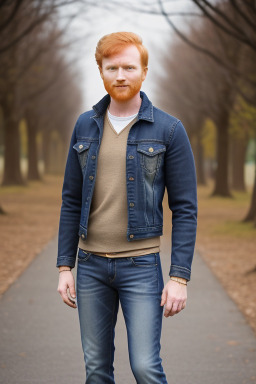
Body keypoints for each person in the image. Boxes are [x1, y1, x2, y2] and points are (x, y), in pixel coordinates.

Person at [57, 31, 197, 384]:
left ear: (144, 72)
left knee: (146, 368)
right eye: (112, 67)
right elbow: (71, 200)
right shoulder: (84, 125)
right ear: (101, 72)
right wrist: (64, 266)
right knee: (97, 370)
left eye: (129, 67)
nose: (120, 75)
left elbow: (185, 208)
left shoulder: (169, 130)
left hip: (141, 266)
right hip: (90, 267)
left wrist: (179, 277)